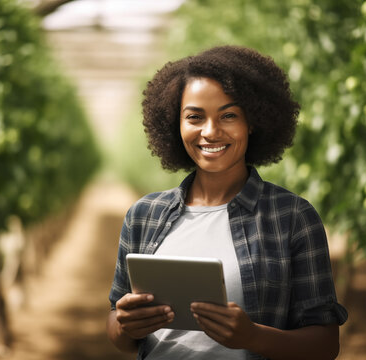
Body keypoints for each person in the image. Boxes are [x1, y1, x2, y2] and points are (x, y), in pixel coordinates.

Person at [106, 45, 348, 360]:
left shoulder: (292, 217)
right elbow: (116, 328)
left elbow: (326, 345)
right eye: (194, 117)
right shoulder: (144, 215)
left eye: (228, 115)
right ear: (175, 125)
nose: (210, 131)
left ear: (253, 121)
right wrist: (126, 326)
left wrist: (254, 336)